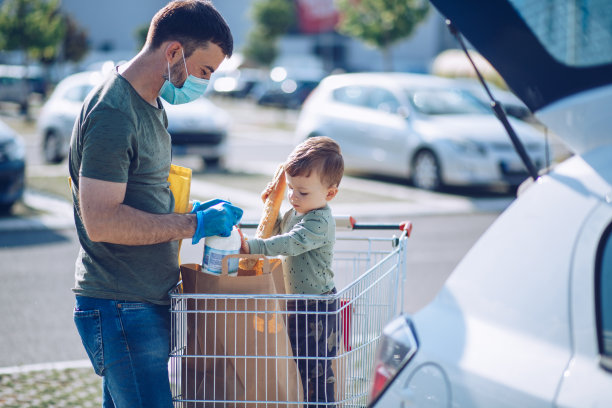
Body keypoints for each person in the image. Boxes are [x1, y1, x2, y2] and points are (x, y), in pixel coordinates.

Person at [68, 1, 242, 407]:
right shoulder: (114, 111)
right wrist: (192, 225)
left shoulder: (150, 103)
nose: (205, 83)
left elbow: (140, 193)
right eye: (204, 71)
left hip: (141, 302)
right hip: (121, 304)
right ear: (173, 52)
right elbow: (102, 221)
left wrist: (193, 210)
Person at [240, 136, 344, 407]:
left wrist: (253, 247)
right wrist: (270, 208)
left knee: (316, 369)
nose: (293, 197)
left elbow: (289, 243)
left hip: (317, 306)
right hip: (297, 304)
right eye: (291, 189)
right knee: (298, 361)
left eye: (303, 192)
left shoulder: (319, 222)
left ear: (329, 194)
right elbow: (277, 231)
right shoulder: (297, 212)